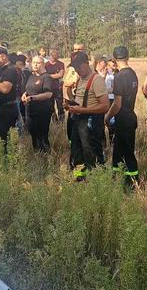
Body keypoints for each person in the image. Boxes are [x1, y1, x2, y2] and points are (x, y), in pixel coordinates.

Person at [67, 50, 109, 178]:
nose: (77, 70)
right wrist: (71, 104)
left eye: (78, 67)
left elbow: (105, 106)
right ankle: (79, 178)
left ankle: (96, 180)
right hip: (77, 121)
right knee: (76, 150)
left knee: (91, 152)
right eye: (75, 68)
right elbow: (80, 100)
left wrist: (82, 110)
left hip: (90, 123)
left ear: (86, 63)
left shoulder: (96, 80)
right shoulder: (80, 80)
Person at [105, 46, 139, 186]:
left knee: (124, 151)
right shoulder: (133, 74)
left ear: (114, 59)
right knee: (121, 150)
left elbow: (117, 104)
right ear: (128, 57)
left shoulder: (119, 77)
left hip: (122, 119)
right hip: (131, 116)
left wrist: (107, 116)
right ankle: (120, 179)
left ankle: (131, 183)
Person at [22, 55, 55, 152]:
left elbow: (49, 94)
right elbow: (28, 89)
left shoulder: (46, 77)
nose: (35, 65)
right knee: (33, 135)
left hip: (42, 111)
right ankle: (37, 156)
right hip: (30, 110)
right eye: (34, 62)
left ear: (43, 64)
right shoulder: (31, 76)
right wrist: (24, 95)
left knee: (42, 136)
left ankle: (47, 155)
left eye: (38, 63)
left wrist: (33, 98)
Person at [0, 47, 19, 147]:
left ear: (3, 56)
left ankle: (10, 160)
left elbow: (5, 89)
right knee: (3, 139)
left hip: (7, 110)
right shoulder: (2, 70)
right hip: (1, 109)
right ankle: (6, 159)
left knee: (7, 140)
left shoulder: (10, 70)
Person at [45, 48, 65, 122]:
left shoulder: (61, 64)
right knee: (51, 106)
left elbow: (61, 75)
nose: (57, 55)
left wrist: (49, 76)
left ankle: (62, 121)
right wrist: (55, 75)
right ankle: (55, 122)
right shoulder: (46, 65)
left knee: (60, 105)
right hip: (49, 88)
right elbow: (44, 75)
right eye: (56, 54)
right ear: (51, 55)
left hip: (58, 88)